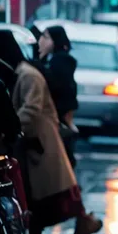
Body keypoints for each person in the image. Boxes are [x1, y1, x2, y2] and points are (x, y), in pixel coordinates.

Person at [0, 31, 102, 234]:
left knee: (40, 203)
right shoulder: (23, 73)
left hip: (41, 149)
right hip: (36, 148)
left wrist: (11, 128)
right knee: (39, 204)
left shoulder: (28, 76)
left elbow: (31, 111)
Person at [36, 25, 79, 167]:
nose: (41, 41)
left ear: (55, 40)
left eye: (46, 37)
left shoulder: (61, 61)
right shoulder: (55, 59)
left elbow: (57, 86)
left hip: (60, 117)